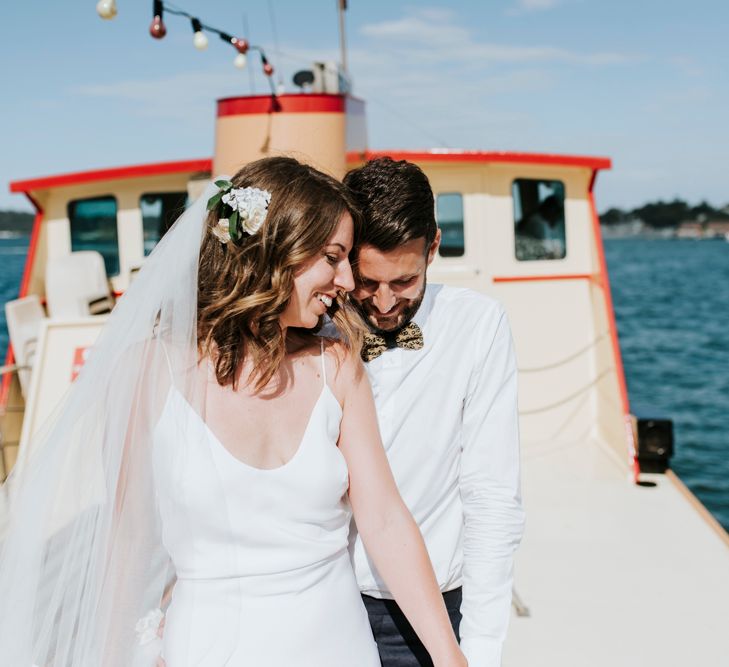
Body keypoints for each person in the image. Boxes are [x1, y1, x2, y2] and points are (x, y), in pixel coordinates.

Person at [0, 157, 466, 667]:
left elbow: (384, 519)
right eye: (333, 257)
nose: (348, 279)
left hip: (337, 646)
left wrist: (449, 656)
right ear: (275, 252)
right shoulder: (148, 374)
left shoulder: (337, 366)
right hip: (207, 650)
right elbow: (127, 546)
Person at [343, 157, 525, 667]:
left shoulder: (479, 326)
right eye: (366, 280)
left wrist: (482, 647)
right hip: (327, 603)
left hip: (436, 614)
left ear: (434, 247)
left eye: (403, 281)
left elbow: (491, 493)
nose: (381, 304)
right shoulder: (317, 327)